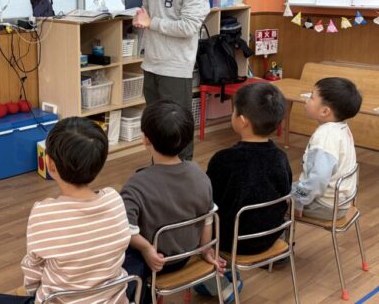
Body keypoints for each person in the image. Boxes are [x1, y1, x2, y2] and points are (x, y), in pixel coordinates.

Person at [0, 117, 131, 304]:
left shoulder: (44, 213)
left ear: (50, 165)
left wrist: (31, 291)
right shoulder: (114, 199)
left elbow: (33, 270)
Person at [120, 100, 226, 303]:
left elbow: (127, 229)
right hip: (186, 256)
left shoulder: (136, 184)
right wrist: (205, 249)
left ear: (146, 139)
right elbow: (208, 218)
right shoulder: (199, 174)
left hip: (154, 261)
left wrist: (146, 248)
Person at [133, 0, 210, 161]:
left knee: (176, 127)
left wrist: (152, 22)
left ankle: (182, 174)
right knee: (154, 127)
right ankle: (158, 171)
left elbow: (189, 27)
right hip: (151, 62)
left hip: (175, 66)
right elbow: (147, 9)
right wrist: (142, 17)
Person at [206, 82, 292, 255]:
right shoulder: (281, 157)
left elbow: (208, 201)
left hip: (230, 239)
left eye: (234, 111)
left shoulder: (223, 159)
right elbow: (285, 192)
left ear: (243, 121)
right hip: (270, 235)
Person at [291, 77, 362, 220]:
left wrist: (298, 202)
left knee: (272, 196)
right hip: (341, 202)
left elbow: (318, 179)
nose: (306, 99)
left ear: (325, 111)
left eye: (311, 97)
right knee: (285, 186)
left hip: (324, 206)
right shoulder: (341, 127)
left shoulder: (325, 137)